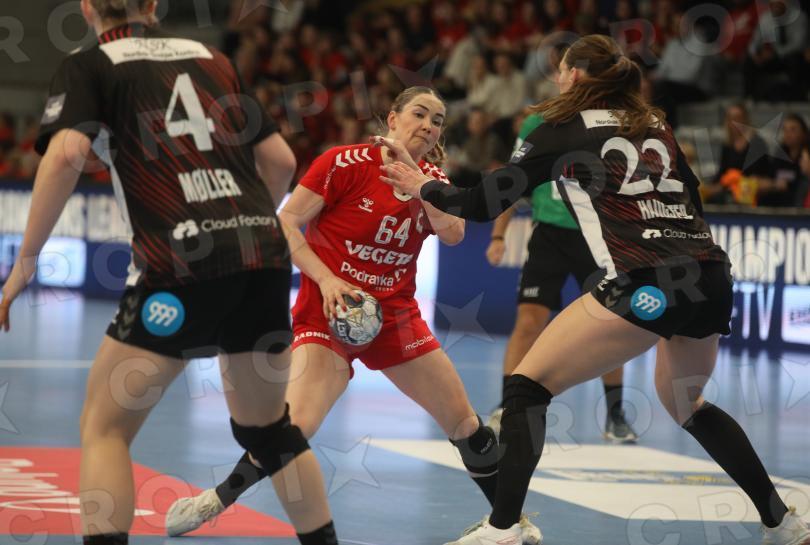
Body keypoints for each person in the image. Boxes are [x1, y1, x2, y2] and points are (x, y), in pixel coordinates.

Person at [380, 35, 810, 545]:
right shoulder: (654, 124)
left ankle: (503, 530)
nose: (558, 78)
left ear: (576, 76)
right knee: (688, 404)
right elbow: (693, 196)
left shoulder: (562, 127)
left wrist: (422, 185)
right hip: (710, 275)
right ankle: (783, 523)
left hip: (647, 279)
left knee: (526, 389)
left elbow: (481, 203)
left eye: (561, 70)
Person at [0, 1, 341, 544]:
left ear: (87, 8)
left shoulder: (90, 64)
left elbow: (66, 156)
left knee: (105, 427)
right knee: (270, 432)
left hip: (180, 262)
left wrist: (24, 263)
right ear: (154, 6)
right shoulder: (213, 57)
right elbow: (280, 161)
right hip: (263, 256)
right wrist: (245, 222)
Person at [164, 86, 542, 545]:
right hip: (329, 315)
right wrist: (326, 280)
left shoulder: (433, 180)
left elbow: (455, 235)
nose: (428, 125)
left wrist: (418, 184)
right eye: (420, 114)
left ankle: (510, 524)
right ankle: (216, 500)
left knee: (464, 423)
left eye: (438, 120)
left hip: (394, 318)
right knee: (296, 427)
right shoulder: (344, 163)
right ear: (393, 118)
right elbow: (285, 224)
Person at [486, 108, 637, 444]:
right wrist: (498, 235)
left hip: (596, 235)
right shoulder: (538, 122)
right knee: (528, 322)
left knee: (610, 323)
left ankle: (615, 415)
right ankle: (507, 406)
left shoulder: (606, 121)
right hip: (549, 236)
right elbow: (513, 180)